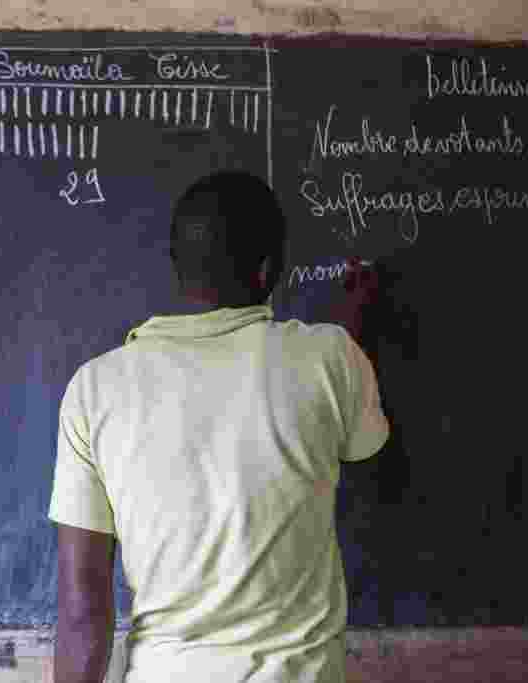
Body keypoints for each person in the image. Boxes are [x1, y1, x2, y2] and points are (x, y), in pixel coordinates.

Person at [48, 170, 389, 683]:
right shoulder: (331, 359)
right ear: (268, 270)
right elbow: (360, 439)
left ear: (176, 267)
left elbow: (82, 611)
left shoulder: (95, 389)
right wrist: (352, 327)